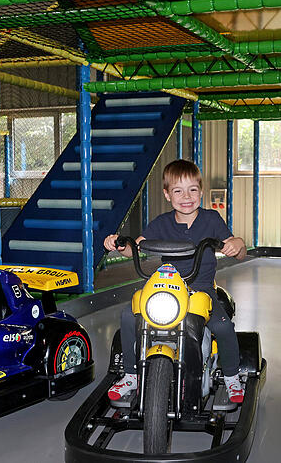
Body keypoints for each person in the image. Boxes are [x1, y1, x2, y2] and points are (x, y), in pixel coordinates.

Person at [103, 159, 247, 403]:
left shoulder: (212, 220)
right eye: (178, 190)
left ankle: (232, 377)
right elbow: (135, 247)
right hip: (166, 288)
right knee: (129, 315)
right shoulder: (162, 223)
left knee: (222, 326)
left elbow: (237, 248)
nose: (186, 196)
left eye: (192, 189)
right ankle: (131, 374)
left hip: (200, 289)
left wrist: (238, 244)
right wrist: (119, 244)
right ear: (167, 194)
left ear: (201, 191)